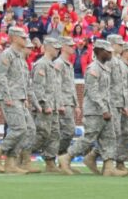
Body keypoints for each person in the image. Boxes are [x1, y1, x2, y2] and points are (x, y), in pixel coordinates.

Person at [60, 39, 118, 175]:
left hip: (104, 110)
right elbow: (93, 92)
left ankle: (109, 168)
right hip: (95, 111)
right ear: (99, 52)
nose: (110, 54)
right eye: (107, 51)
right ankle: (66, 157)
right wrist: (104, 109)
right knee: (89, 138)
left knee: (109, 138)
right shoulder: (93, 69)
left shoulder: (104, 68)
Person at [0, 26, 35, 174]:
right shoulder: (7, 55)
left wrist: (25, 97)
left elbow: (22, 80)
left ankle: (11, 162)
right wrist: (7, 96)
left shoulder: (20, 57)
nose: (25, 39)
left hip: (20, 98)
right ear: (14, 38)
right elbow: (1, 77)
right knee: (19, 128)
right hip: (10, 98)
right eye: (22, 37)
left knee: (28, 129)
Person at [30, 37, 61, 173]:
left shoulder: (51, 65)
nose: (58, 50)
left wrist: (57, 104)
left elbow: (53, 88)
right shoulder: (41, 64)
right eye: (55, 47)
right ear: (48, 47)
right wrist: (44, 104)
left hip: (53, 107)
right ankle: (21, 155)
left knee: (54, 135)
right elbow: (38, 88)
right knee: (41, 134)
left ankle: (50, 162)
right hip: (44, 108)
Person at [110, 41, 128, 175]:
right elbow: (120, 88)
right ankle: (115, 162)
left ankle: (120, 161)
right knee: (119, 133)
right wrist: (124, 106)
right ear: (125, 52)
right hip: (121, 105)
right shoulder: (119, 65)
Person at [54, 38, 79, 175]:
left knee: (68, 132)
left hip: (69, 102)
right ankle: (55, 157)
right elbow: (56, 85)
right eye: (70, 46)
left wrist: (76, 104)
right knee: (67, 131)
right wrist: (59, 103)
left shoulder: (68, 64)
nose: (72, 48)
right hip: (63, 102)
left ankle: (62, 162)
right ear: (63, 47)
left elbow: (71, 86)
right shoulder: (58, 63)